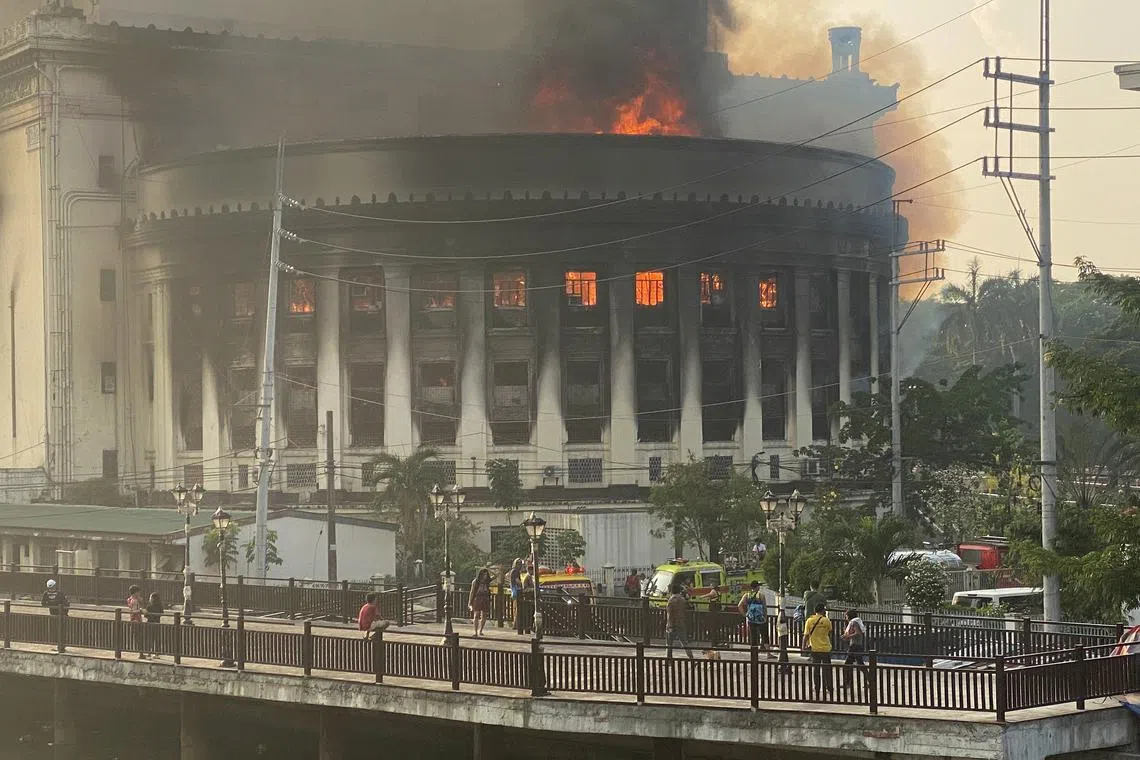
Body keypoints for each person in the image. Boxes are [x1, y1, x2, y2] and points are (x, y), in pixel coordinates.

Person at [737, 581, 775, 657]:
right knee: (765, 635)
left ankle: (754, 654)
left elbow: (739, 605)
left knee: (753, 636)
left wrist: (745, 615)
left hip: (751, 619)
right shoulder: (761, 595)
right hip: (761, 619)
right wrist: (765, 617)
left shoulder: (747, 595)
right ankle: (768, 653)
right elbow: (764, 608)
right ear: (757, 587)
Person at [803, 602, 834, 696]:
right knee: (827, 669)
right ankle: (829, 687)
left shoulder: (809, 621)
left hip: (815, 648)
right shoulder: (826, 620)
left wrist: (803, 646)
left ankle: (817, 687)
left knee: (816, 670)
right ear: (822, 611)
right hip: (826, 648)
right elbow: (830, 631)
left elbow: (806, 635)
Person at [664, 583, 694, 662]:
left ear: (671, 591)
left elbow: (670, 614)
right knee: (684, 643)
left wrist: (669, 625)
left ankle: (669, 661)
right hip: (681, 623)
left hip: (672, 624)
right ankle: (691, 658)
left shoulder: (671, 600)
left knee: (669, 644)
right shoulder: (682, 600)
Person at [840, 608, 867, 690]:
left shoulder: (854, 622)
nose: (846, 618)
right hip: (857, 645)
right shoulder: (855, 622)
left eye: (846, 616)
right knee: (860, 664)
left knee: (847, 665)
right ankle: (869, 680)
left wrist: (848, 636)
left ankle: (847, 683)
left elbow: (857, 633)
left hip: (855, 646)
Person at [469, 568, 493, 637]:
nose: (485, 576)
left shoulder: (487, 581)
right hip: (478, 598)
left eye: (486, 574)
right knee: (476, 614)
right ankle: (475, 631)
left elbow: (496, 576)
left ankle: (481, 630)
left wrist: (489, 570)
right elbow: (472, 592)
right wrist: (470, 602)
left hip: (485, 598)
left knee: (484, 615)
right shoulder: (476, 581)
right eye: (484, 574)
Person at [127, 585, 146, 658]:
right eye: (138, 592)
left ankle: (140, 652)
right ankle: (140, 653)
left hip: (133, 619)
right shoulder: (134, 601)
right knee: (139, 636)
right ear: (135, 593)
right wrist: (141, 610)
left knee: (137, 636)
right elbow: (135, 610)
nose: (139, 593)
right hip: (136, 619)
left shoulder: (130, 599)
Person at [145, 592, 165, 659]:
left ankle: (148, 653)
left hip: (150, 623)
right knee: (157, 639)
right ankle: (157, 653)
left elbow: (146, 615)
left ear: (152, 598)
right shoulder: (160, 606)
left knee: (149, 639)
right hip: (157, 623)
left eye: (150, 597)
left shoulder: (149, 606)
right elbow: (162, 613)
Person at [776, 603, 791, 674]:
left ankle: (785, 666)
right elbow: (782, 621)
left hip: (782, 632)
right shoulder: (782, 613)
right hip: (783, 633)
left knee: (783, 649)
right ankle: (781, 666)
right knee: (782, 649)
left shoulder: (780, 613)